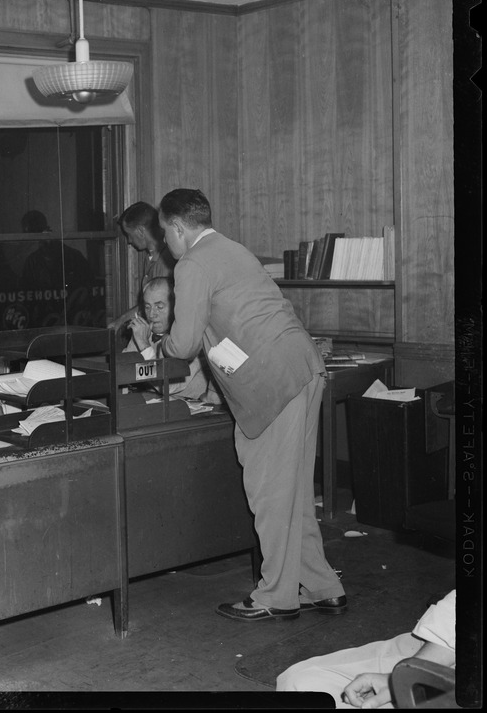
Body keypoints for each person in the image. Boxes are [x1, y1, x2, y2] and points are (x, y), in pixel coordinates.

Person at [156, 188, 344, 621]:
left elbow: (183, 344)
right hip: (303, 366)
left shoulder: (192, 264)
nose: (166, 242)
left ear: (179, 229)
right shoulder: (233, 249)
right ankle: (321, 585)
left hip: (271, 382)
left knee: (270, 493)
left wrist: (158, 347)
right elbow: (230, 322)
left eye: (166, 232)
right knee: (294, 490)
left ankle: (275, 596)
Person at [277, 590, 456, 708]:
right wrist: (407, 675)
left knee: (305, 688)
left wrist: (407, 680)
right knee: (296, 680)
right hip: (448, 641)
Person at [123, 276, 221, 404]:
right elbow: (123, 371)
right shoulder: (144, 332)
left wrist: (145, 347)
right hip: (155, 405)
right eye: (147, 307)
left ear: (176, 307)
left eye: (159, 306)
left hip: (192, 411)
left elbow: (167, 386)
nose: (152, 314)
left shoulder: (192, 336)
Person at [109, 201, 174, 333]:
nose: (129, 241)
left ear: (140, 231)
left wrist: (120, 320)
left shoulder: (167, 260)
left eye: (129, 234)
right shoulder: (149, 258)